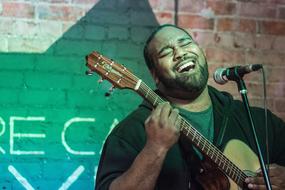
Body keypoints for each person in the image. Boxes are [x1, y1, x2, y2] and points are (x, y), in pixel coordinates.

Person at [95, 24, 285, 190]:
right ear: (155, 76)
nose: (180, 53)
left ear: (201, 52)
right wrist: (156, 148)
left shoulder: (258, 121)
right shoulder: (131, 132)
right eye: (166, 52)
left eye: (185, 43)